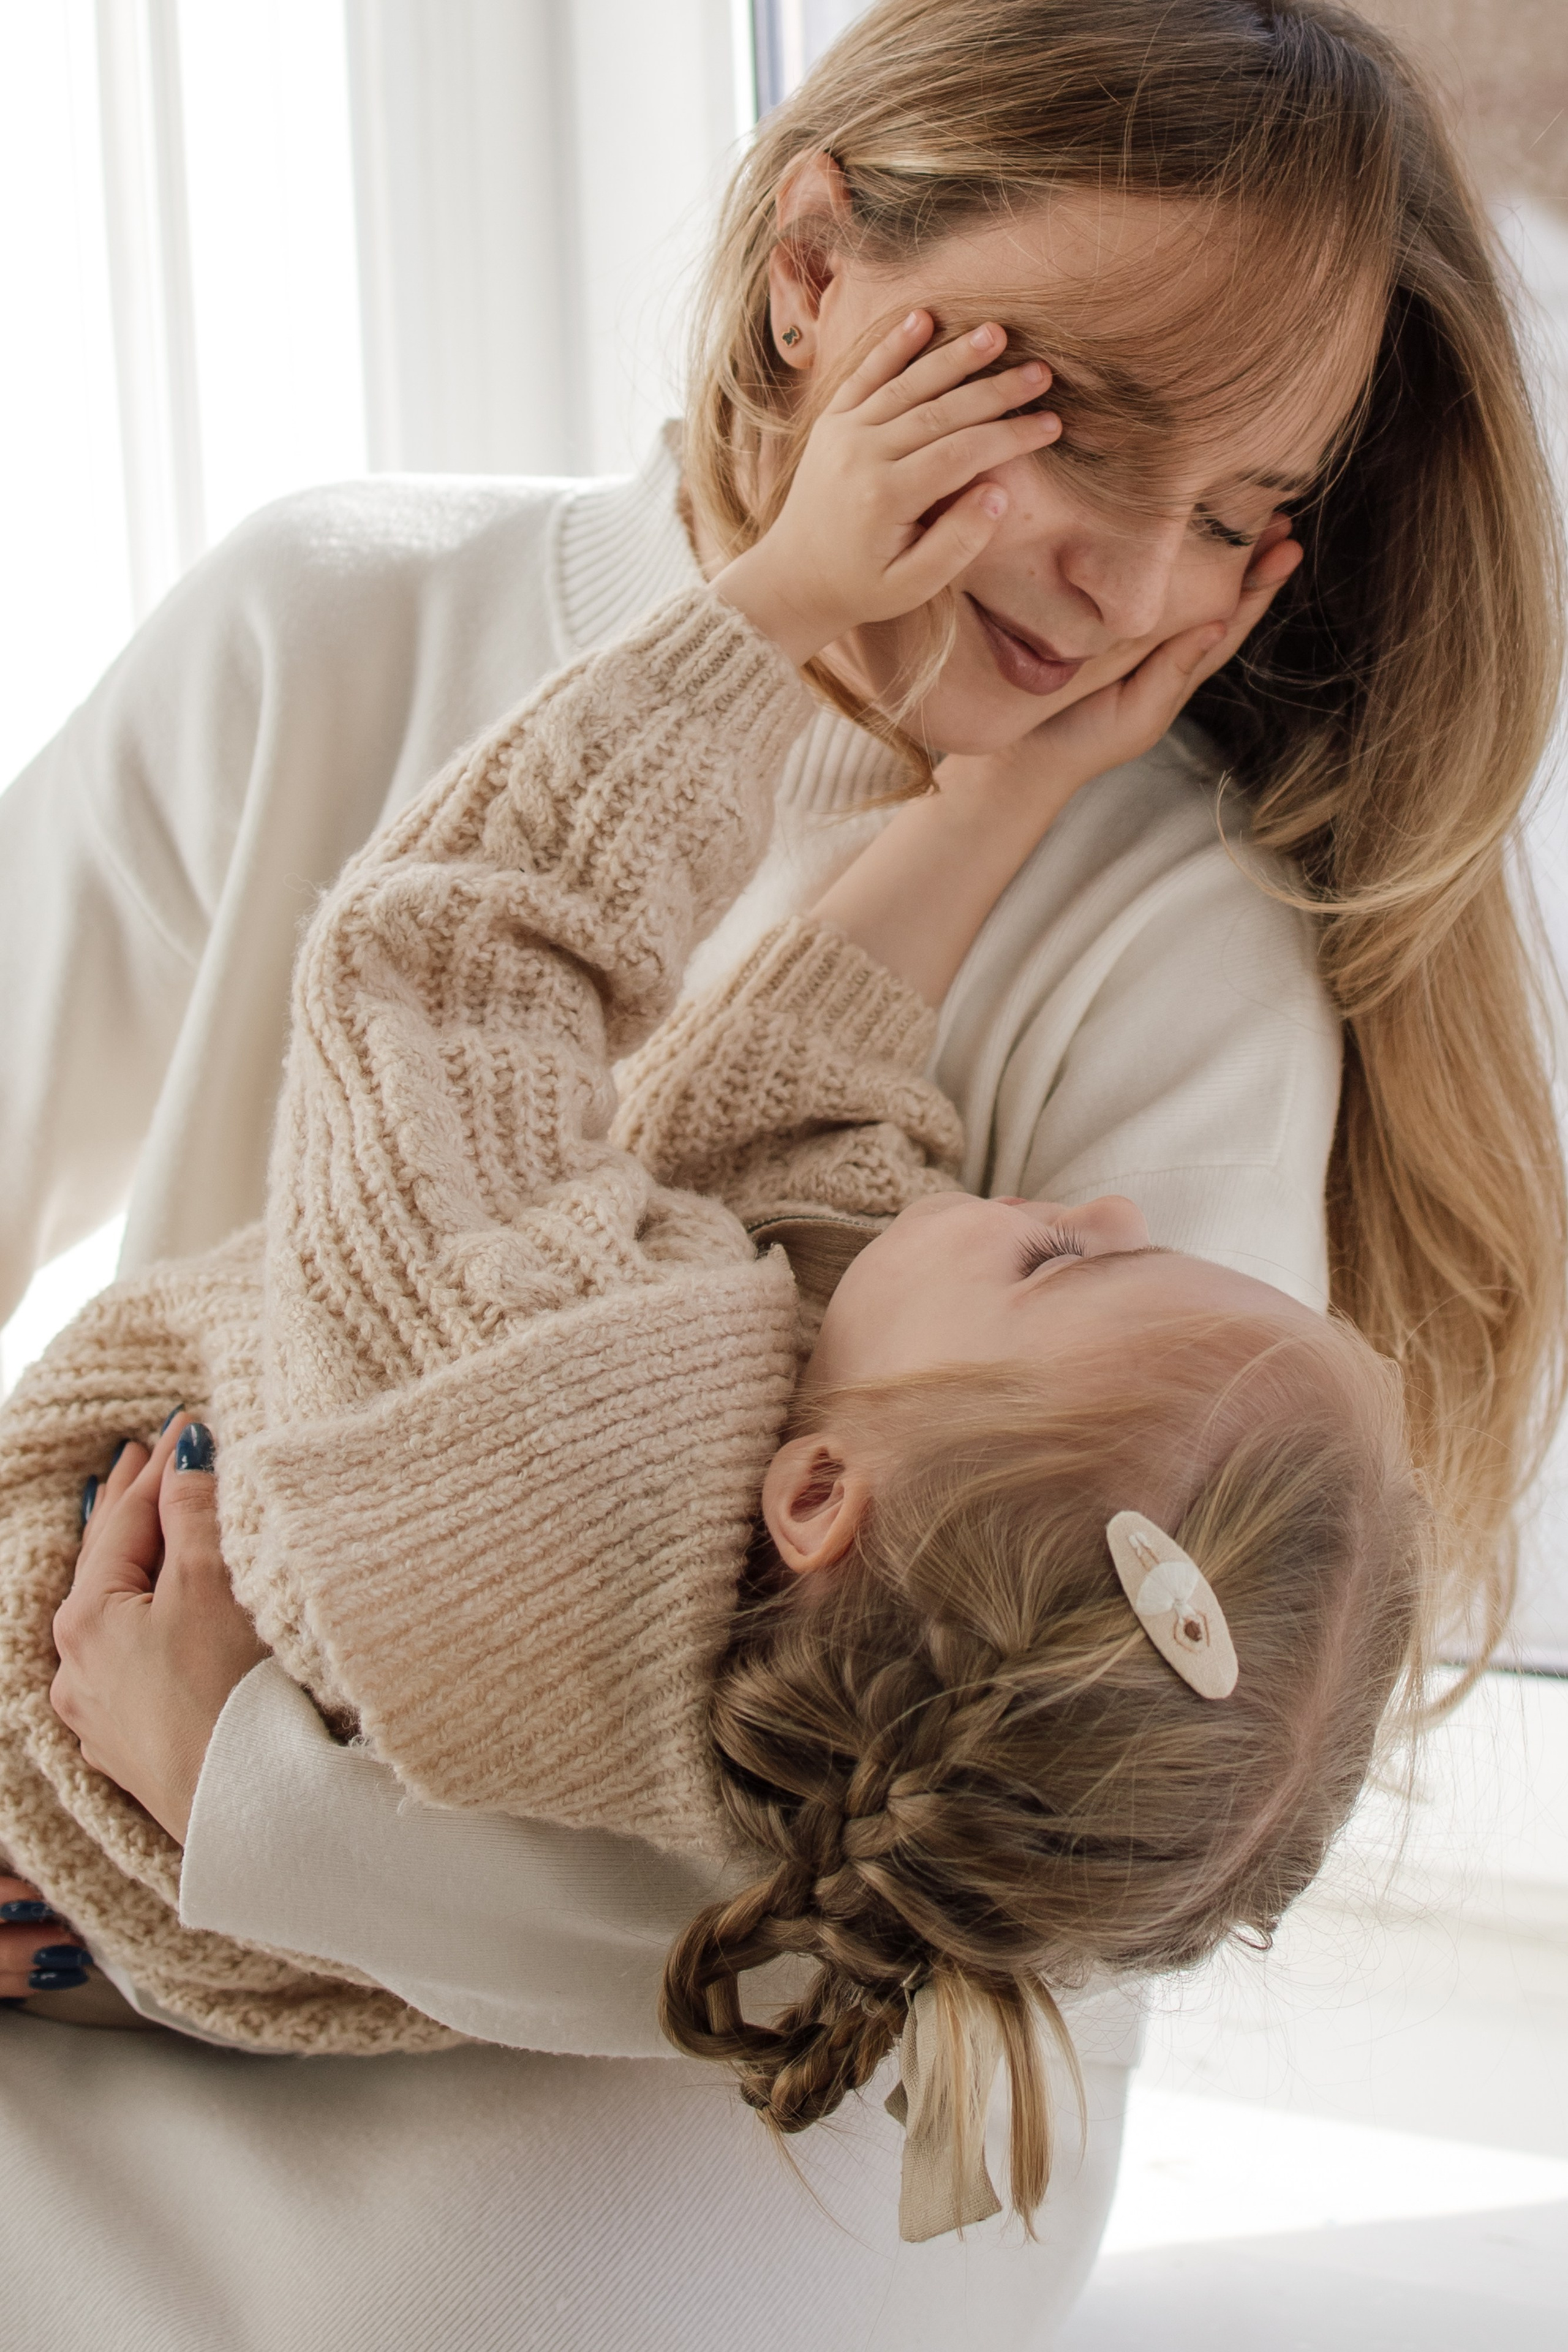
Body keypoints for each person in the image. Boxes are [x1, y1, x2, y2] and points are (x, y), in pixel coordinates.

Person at [0, 2, 1559, 2343]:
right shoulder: (330, 618)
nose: (1146, 584)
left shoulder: (1171, 954)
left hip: (708, 2108)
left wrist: (276, 1812)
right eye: (1084, 425)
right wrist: (963, 783)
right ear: (812, 265)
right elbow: (780, 1122)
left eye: (1242, 517)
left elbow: (1018, 1891)